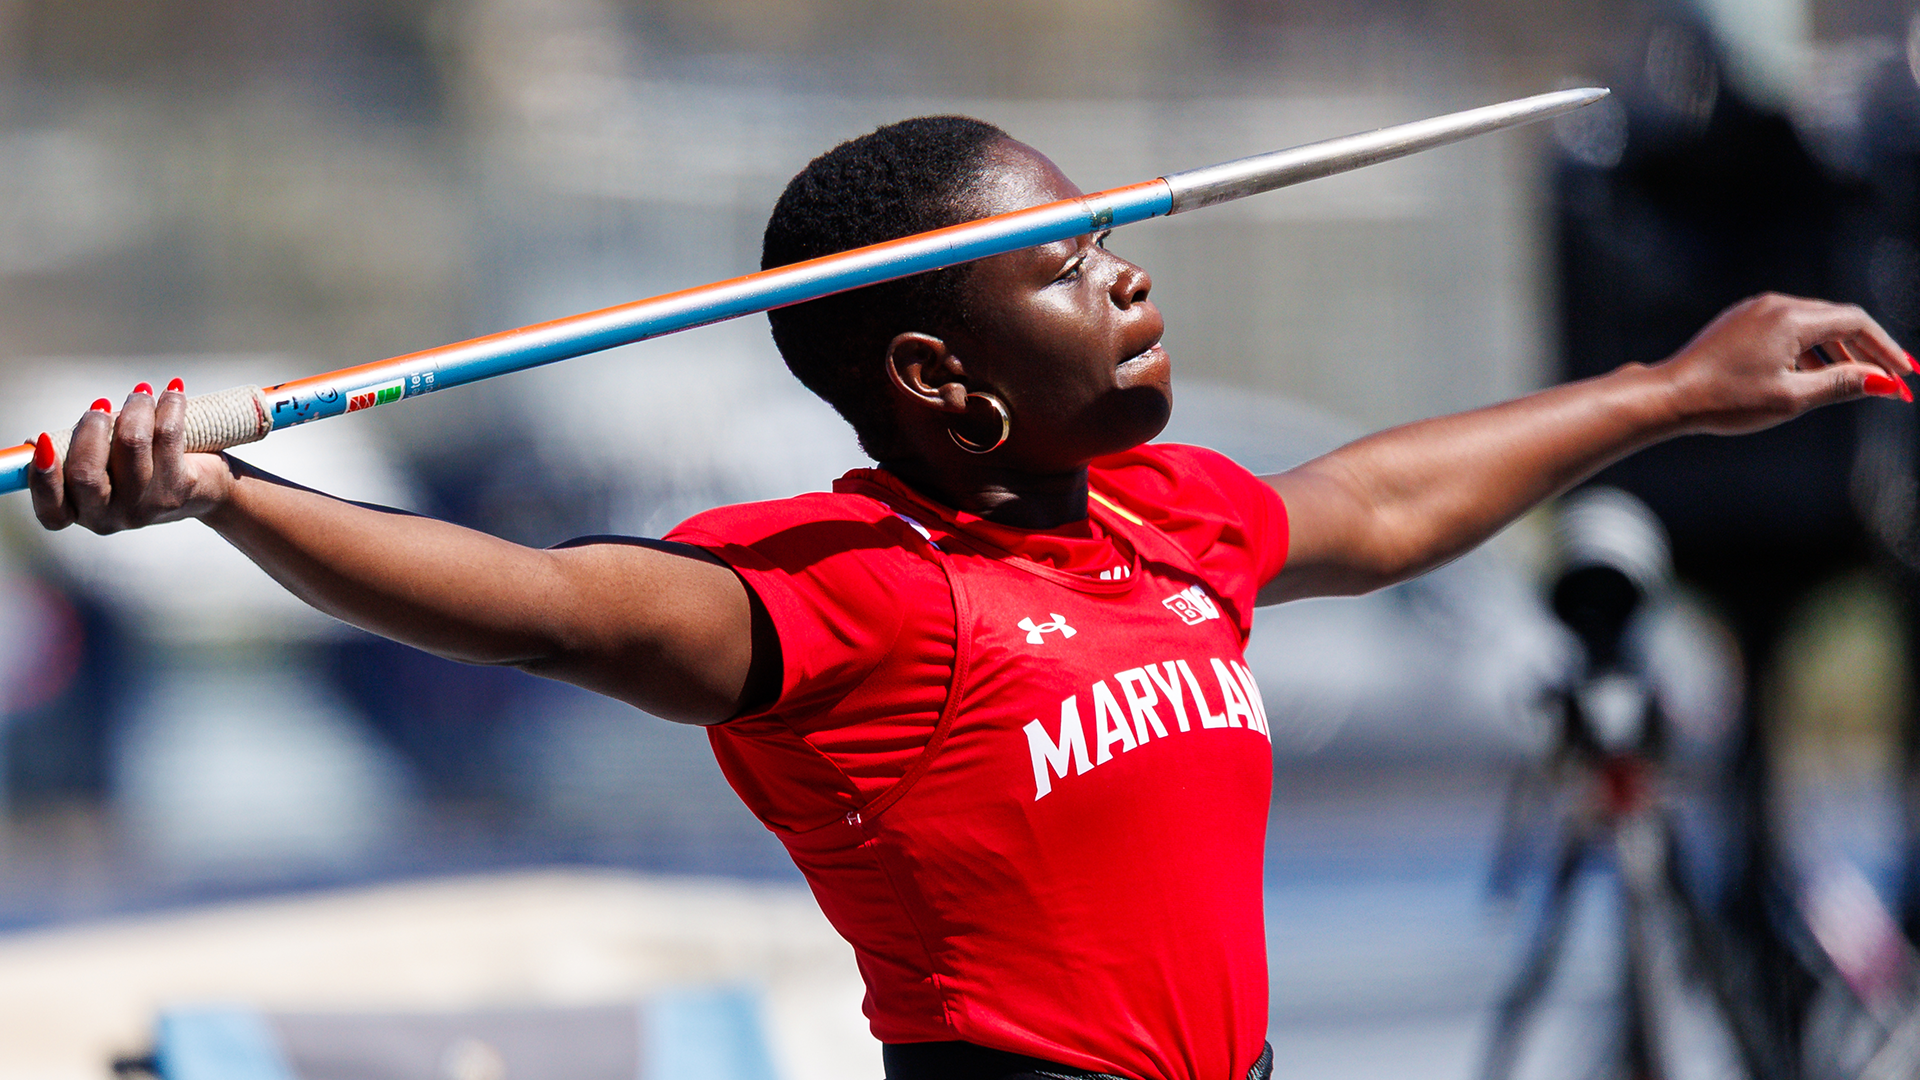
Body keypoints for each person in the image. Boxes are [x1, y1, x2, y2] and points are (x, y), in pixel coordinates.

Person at [25, 116, 1914, 1080]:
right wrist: (218, 492)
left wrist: (1673, 391)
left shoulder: (1163, 523)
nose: (1129, 275)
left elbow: (1379, 498)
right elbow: (540, 606)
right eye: (1074, 259)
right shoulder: (846, 595)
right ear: (937, 374)